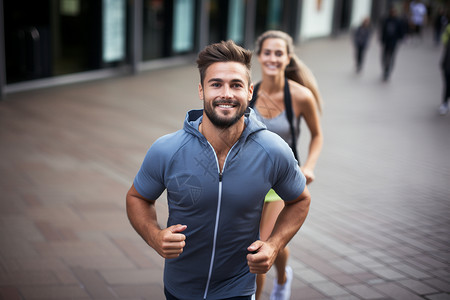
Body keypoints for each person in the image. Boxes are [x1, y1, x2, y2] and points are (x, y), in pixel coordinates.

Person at [126, 40, 311, 300]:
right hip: (180, 288)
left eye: (235, 85)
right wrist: (154, 236)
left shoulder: (273, 150)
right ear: (201, 90)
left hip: (237, 288)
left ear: (249, 92)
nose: (226, 94)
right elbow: (137, 197)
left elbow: (300, 199)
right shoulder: (167, 149)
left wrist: (274, 244)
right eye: (216, 84)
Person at [250, 30, 323, 300]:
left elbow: (317, 135)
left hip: (282, 181)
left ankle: (272, 287)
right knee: (273, 243)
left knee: (259, 244)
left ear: (288, 57)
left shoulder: (301, 96)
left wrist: (310, 166)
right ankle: (284, 274)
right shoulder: (249, 93)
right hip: (251, 179)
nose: (272, 58)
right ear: (259, 56)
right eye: (267, 52)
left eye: (278, 53)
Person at [380, 6, 405, 81]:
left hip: (393, 42)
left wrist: (400, 38)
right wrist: (382, 39)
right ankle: (385, 69)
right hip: (386, 42)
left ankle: (388, 71)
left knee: (391, 57)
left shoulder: (398, 21)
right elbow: (383, 30)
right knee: (384, 57)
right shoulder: (386, 20)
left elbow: (401, 32)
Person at [439, 24, 450, 115]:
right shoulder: (448, 28)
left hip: (446, 64)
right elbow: (444, 40)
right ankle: (445, 102)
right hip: (447, 65)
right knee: (447, 85)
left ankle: (445, 102)